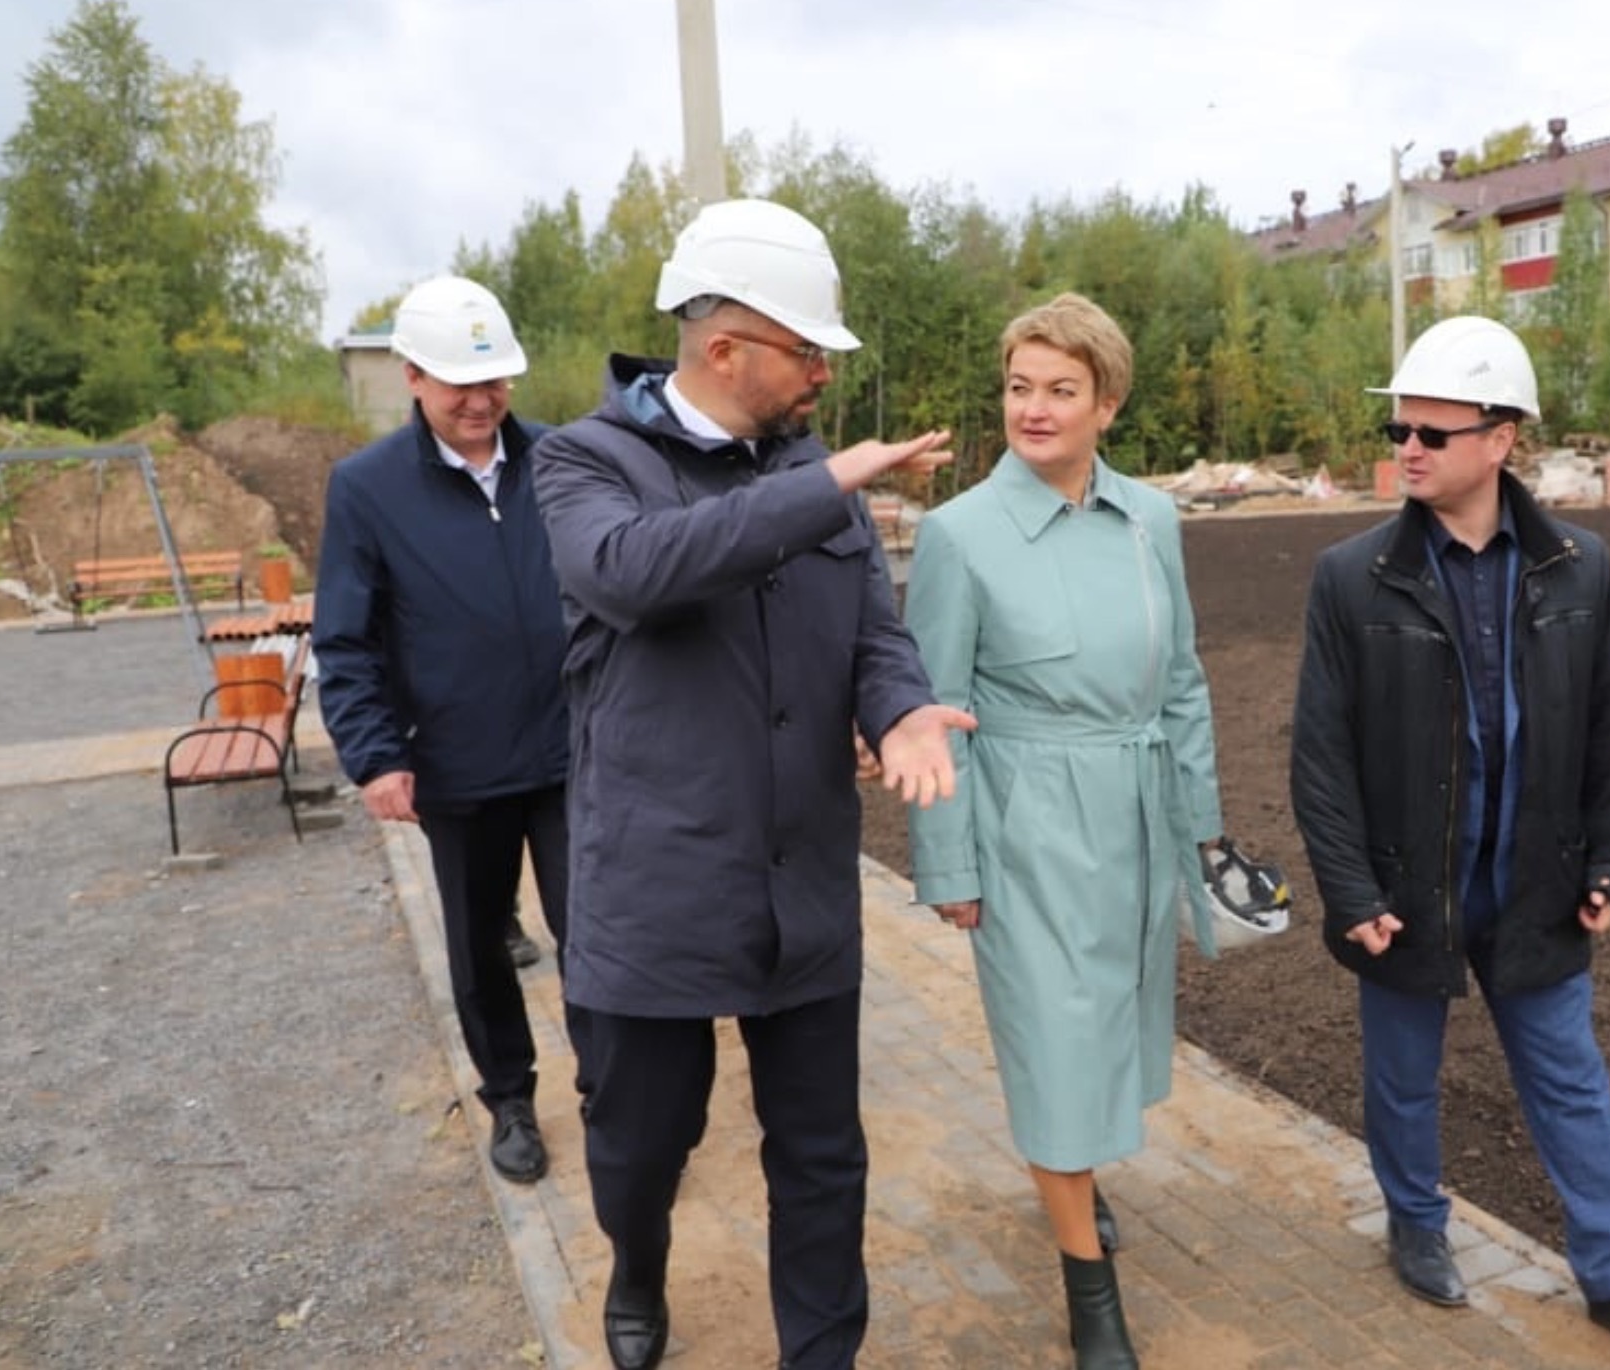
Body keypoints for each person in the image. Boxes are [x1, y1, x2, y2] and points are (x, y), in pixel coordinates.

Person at [531, 198, 974, 1370]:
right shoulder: (586, 462)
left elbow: (872, 629)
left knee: (824, 1159)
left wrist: (902, 705)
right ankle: (635, 1261)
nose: (825, 371)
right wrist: (824, 485)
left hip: (805, 885)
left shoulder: (809, 475)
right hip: (658, 888)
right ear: (722, 347)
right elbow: (634, 573)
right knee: (641, 1138)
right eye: (806, 348)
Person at [1289, 315, 1610, 1348]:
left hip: (1536, 879)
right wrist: (1353, 893)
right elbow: (1320, 755)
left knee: (1571, 1078)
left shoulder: (1581, 566)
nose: (1408, 450)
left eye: (1433, 434)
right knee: (1401, 1078)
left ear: (1500, 439)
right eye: (1400, 430)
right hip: (1407, 886)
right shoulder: (1353, 578)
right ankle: (1417, 1222)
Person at [905, 293, 1271, 1369]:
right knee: (1056, 1045)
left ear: (1106, 402)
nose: (1035, 407)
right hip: (1026, 824)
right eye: (1020, 386)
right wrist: (951, 862)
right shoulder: (957, 534)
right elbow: (937, 712)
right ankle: (1089, 1291)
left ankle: (1078, 1185)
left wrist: (1203, 836)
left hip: (1138, 811)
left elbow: (1185, 684)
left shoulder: (1152, 519)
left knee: (1109, 1025)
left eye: (1061, 388)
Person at [313, 275, 575, 1189]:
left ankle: (614, 1095)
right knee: (477, 946)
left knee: (601, 936)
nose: (481, 401)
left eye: (496, 379)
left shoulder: (559, 460)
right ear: (413, 378)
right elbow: (343, 637)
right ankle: (509, 1097)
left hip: (574, 753)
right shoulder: (368, 489)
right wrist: (376, 754)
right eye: (460, 384)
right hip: (457, 766)